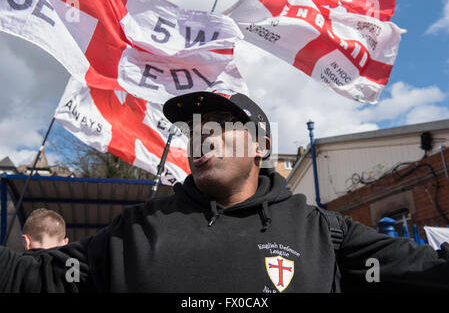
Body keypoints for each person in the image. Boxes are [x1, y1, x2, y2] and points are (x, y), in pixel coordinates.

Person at [0, 89, 448, 293]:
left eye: (222, 127)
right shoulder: (131, 232)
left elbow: (429, 270)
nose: (203, 136)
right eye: (195, 130)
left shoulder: (325, 234)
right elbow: (29, 278)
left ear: (262, 147)